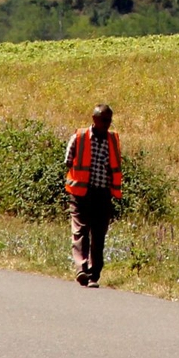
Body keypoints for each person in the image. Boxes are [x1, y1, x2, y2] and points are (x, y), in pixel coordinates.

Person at [63, 104, 123, 287]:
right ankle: (82, 269)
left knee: (98, 234)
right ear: (94, 119)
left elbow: (115, 166)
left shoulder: (113, 140)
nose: (107, 123)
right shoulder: (79, 137)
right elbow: (68, 161)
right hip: (81, 193)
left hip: (103, 194)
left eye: (109, 120)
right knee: (80, 231)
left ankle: (94, 275)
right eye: (104, 120)